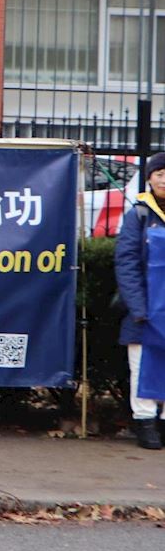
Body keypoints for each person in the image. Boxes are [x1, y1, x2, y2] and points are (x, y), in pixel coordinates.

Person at [114, 151, 165, 450]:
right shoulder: (138, 215)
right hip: (146, 311)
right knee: (143, 366)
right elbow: (127, 263)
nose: (164, 180)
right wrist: (138, 308)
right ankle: (145, 423)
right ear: (149, 179)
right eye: (159, 174)